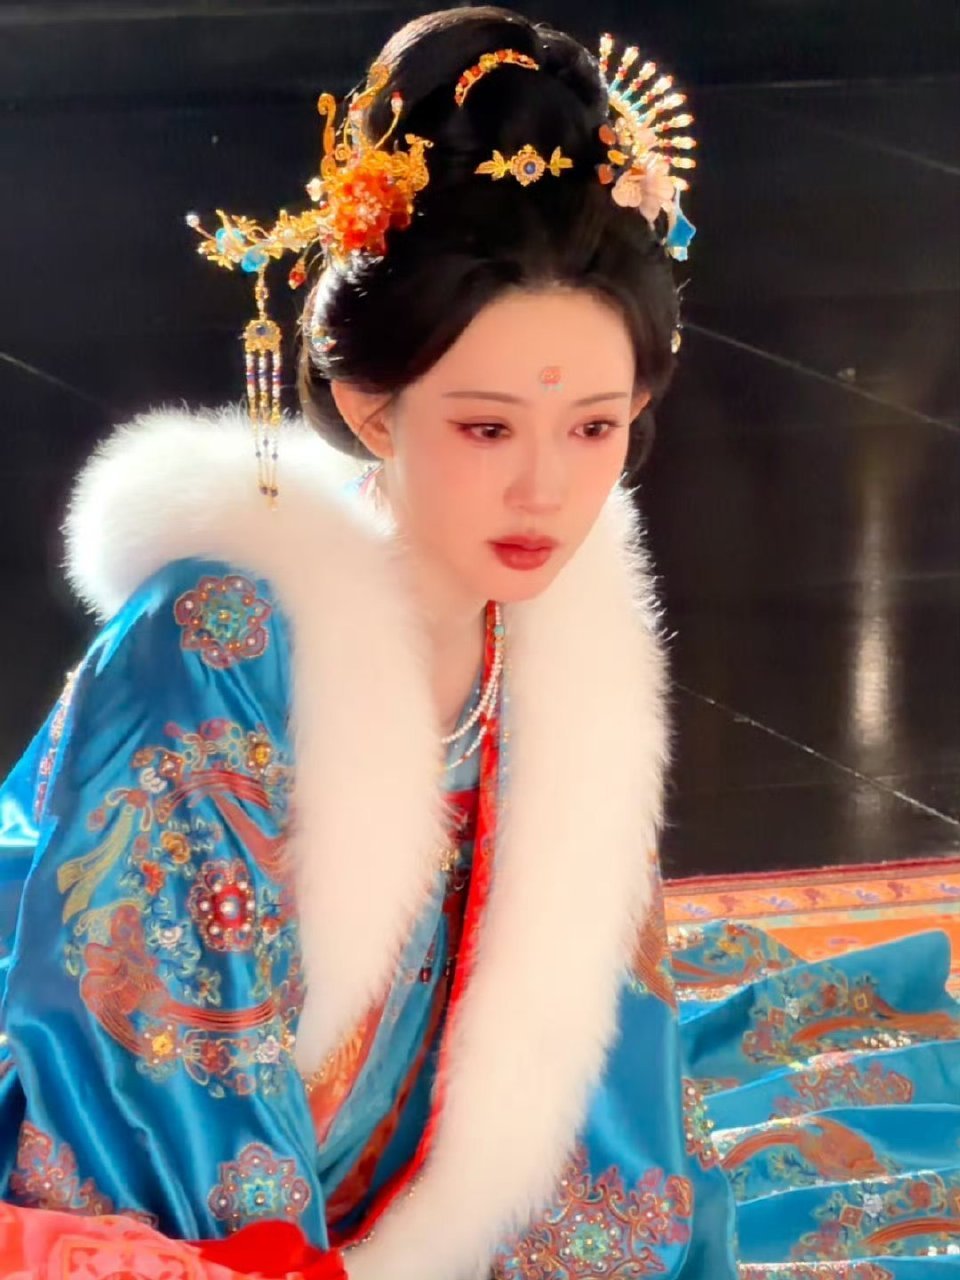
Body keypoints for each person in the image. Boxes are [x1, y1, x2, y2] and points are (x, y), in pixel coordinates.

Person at [1, 7, 957, 1280]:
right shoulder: (213, 640)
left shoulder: (564, 639)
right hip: (173, 1170)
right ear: (370, 404)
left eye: (594, 427)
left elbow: (594, 1056)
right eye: (488, 428)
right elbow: (152, 1063)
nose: (547, 493)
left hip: (390, 1151)